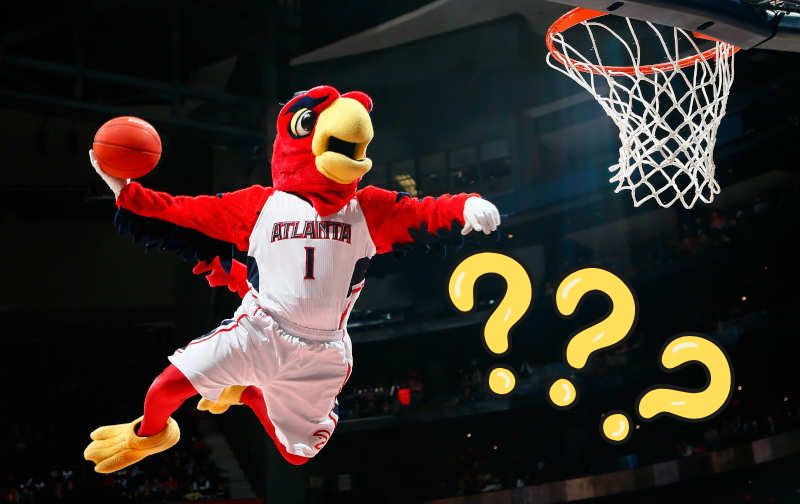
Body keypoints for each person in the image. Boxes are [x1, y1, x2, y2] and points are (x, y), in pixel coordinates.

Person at [83, 85, 501, 473]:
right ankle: (148, 436)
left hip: (323, 348)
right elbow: (182, 211)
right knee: (164, 389)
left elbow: (425, 211)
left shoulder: (368, 210)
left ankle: (249, 393)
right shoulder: (259, 205)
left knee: (298, 454)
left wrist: (465, 205)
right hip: (261, 329)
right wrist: (125, 192)